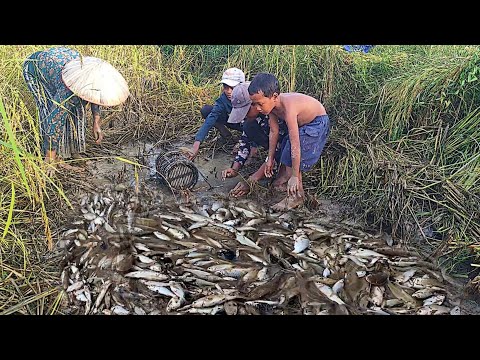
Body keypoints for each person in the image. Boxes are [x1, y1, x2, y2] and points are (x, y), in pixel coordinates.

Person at [23, 46, 128, 175]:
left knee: (78, 110)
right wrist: (50, 158)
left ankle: (73, 151)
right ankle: (54, 157)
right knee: (50, 109)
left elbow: (95, 95)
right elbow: (54, 121)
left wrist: (96, 121)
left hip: (61, 62)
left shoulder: (91, 79)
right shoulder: (66, 91)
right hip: (36, 69)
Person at [248, 72, 331, 211]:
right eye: (254, 104)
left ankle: (297, 194)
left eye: (260, 104)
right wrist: (270, 159)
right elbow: (273, 132)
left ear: (274, 97)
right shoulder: (272, 108)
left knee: (291, 149)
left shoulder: (289, 108)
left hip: (317, 123)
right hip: (304, 125)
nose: (257, 108)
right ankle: (289, 186)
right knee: (285, 148)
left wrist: (294, 175)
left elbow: (296, 144)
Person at [221, 82, 287, 197]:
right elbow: (244, 140)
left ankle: (283, 170)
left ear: (254, 103)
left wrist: (253, 179)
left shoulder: (272, 113)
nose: (244, 116)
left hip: (291, 141)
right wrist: (235, 168)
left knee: (282, 152)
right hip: (273, 142)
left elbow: (278, 148)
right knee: (248, 126)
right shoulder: (250, 119)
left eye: (245, 112)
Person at [186, 67, 245, 161]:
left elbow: (253, 123)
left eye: (233, 88)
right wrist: (197, 143)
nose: (229, 91)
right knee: (206, 111)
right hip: (233, 122)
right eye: (226, 87)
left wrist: (242, 143)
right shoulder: (223, 99)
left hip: (247, 125)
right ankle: (226, 134)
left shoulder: (249, 98)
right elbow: (211, 118)